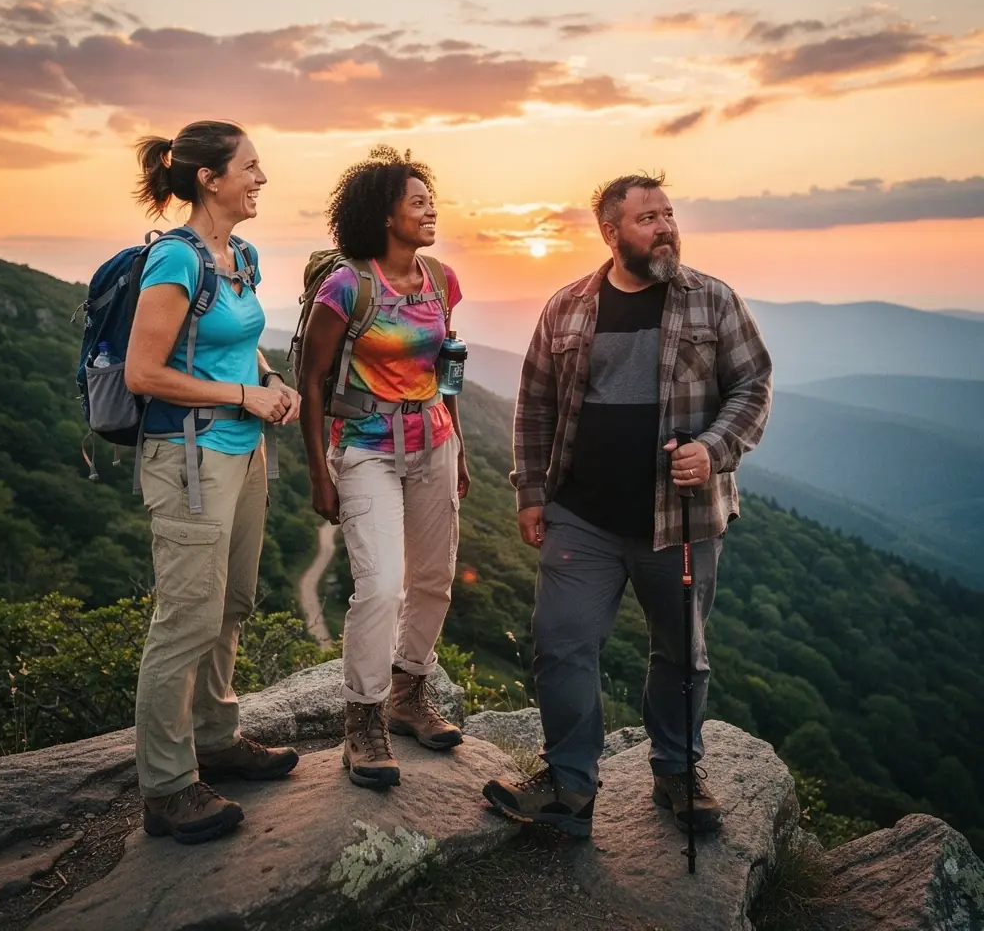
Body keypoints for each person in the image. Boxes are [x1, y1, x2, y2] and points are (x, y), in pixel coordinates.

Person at [483, 172, 772, 837]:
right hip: (581, 517)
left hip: (682, 519)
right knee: (562, 644)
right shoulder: (568, 307)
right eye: (648, 218)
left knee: (681, 652)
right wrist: (531, 494)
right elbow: (535, 406)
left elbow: (752, 385)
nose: (665, 227)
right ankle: (568, 784)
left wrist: (714, 447)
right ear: (611, 233)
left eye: (669, 214)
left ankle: (677, 770)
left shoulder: (712, 301)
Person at [125, 120, 302, 845]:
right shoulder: (174, 261)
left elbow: (236, 345)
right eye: (251, 168)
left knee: (230, 602)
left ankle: (218, 738)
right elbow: (145, 373)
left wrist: (268, 381)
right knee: (185, 618)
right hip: (189, 460)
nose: (262, 179)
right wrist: (241, 399)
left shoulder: (243, 255)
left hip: (245, 452)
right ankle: (166, 788)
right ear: (209, 178)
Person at [300, 145, 470, 790]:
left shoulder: (443, 280)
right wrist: (320, 473)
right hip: (366, 449)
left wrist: (463, 451)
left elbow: (446, 365)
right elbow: (312, 380)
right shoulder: (347, 285)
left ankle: (408, 694)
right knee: (380, 585)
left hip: (435, 441)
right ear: (383, 214)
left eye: (432, 201)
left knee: (434, 579)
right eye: (417, 202)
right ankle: (363, 720)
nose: (431, 211)